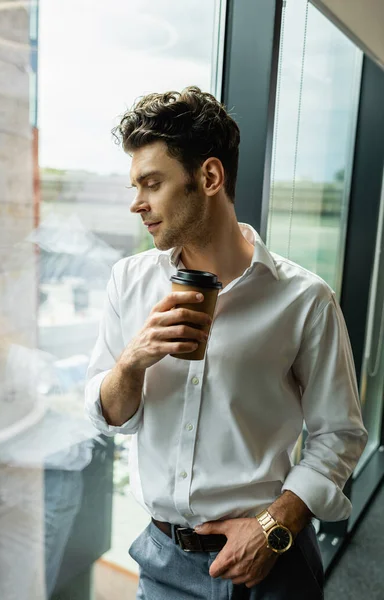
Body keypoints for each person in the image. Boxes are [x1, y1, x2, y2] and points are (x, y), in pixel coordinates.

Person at [84, 86, 368, 599]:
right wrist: (132, 361)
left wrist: (273, 529)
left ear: (209, 177)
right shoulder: (128, 282)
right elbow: (108, 415)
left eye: (152, 183)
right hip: (162, 561)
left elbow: (340, 435)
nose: (137, 203)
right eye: (135, 185)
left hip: (269, 562)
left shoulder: (304, 299)